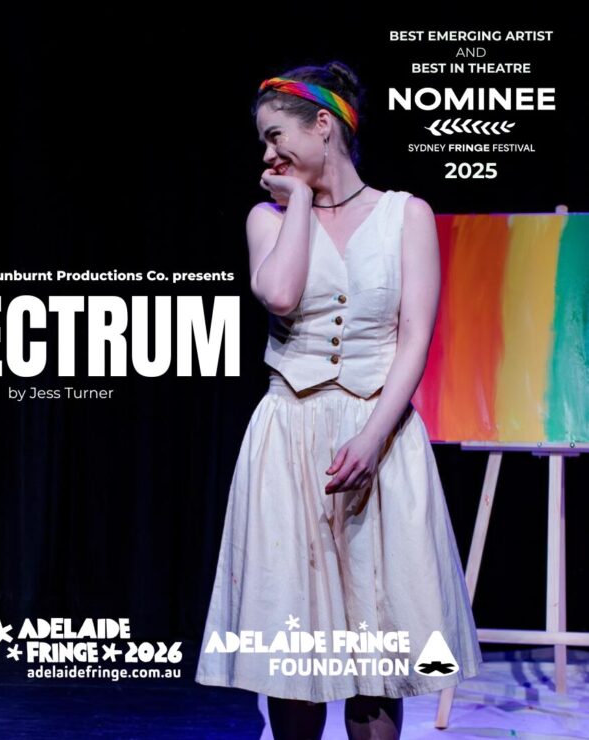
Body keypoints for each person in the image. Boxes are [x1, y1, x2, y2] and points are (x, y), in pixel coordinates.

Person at [194, 61, 483, 740]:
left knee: (379, 649)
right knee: (296, 646)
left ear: (323, 125)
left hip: (380, 434)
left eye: (276, 137)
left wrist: (374, 436)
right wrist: (298, 200)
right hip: (289, 435)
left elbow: (414, 339)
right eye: (263, 143)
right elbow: (282, 295)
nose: (267, 156)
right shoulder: (267, 218)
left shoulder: (406, 215)